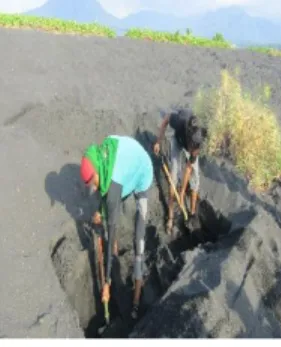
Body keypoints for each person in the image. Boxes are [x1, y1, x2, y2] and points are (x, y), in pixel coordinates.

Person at [80, 135, 154, 320]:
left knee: (139, 239)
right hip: (125, 172)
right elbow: (106, 189)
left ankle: (136, 302)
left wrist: (107, 283)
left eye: (93, 183)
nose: (94, 188)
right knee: (108, 203)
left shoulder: (113, 184)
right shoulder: (103, 156)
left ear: (97, 172)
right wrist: (100, 211)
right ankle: (113, 254)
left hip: (142, 173)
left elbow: (111, 229)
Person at [153, 109, 207, 234]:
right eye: (192, 145)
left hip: (188, 142)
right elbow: (166, 119)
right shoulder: (179, 122)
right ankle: (170, 217)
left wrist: (182, 192)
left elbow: (188, 168)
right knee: (173, 177)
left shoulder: (197, 144)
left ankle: (193, 214)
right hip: (178, 141)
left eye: (195, 147)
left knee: (195, 181)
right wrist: (158, 142)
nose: (193, 148)